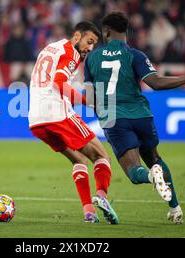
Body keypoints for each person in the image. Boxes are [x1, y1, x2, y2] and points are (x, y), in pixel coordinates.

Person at [84, 12, 185, 224]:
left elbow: (89, 99)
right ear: (126, 32)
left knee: (135, 173)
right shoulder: (135, 55)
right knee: (154, 158)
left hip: (115, 117)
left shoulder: (93, 58)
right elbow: (156, 83)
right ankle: (175, 208)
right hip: (142, 115)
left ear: (106, 31)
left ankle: (153, 177)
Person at [28, 21, 118, 224]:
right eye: (89, 41)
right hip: (57, 114)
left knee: (79, 160)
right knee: (102, 156)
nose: (91, 48)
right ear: (77, 36)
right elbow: (59, 82)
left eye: (94, 44)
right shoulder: (71, 53)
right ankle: (102, 196)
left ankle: (89, 212)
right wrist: (88, 102)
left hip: (36, 119)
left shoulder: (50, 48)